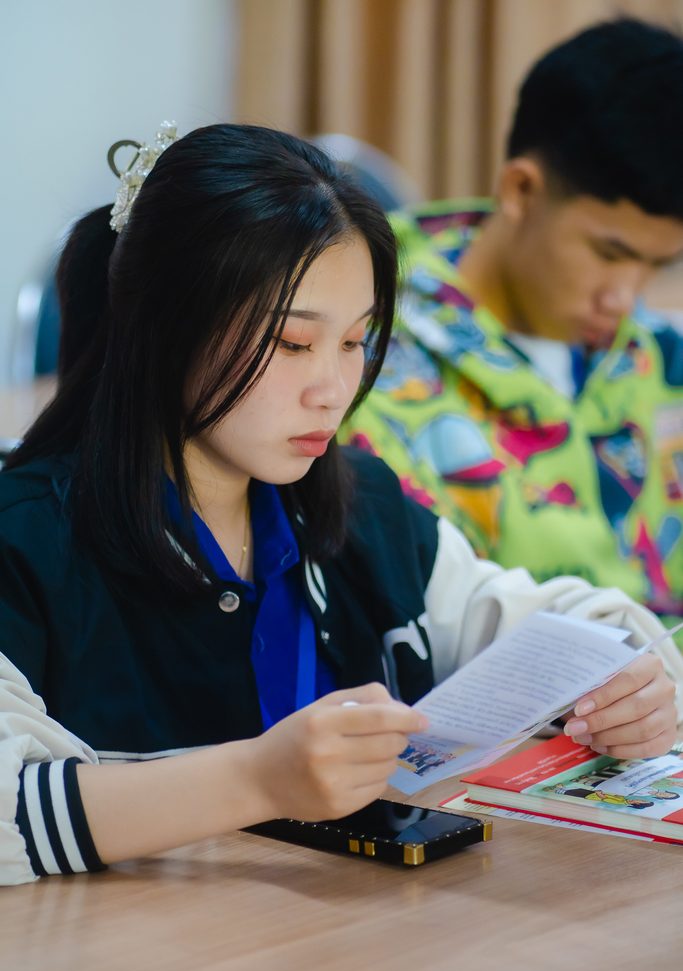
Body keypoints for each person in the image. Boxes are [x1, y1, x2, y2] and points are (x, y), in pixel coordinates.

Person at [0, 123, 680, 887]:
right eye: (292, 345)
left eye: (356, 342)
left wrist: (632, 679)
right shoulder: (26, 544)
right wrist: (257, 779)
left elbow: (544, 622)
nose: (333, 390)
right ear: (163, 326)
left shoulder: (361, 508)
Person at [344, 17, 683, 628]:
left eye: (657, 265)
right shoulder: (356, 350)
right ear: (521, 190)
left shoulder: (663, 360)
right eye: (609, 254)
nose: (624, 298)